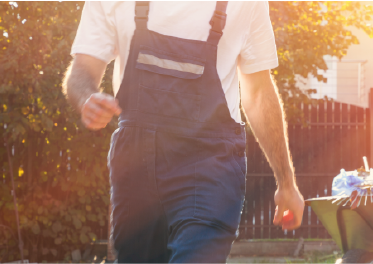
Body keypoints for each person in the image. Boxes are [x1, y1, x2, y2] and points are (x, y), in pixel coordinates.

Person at [62, 1, 304, 263]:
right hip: (136, 168)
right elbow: (82, 71)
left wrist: (286, 183)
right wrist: (87, 97)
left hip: (210, 167)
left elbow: (258, 93)